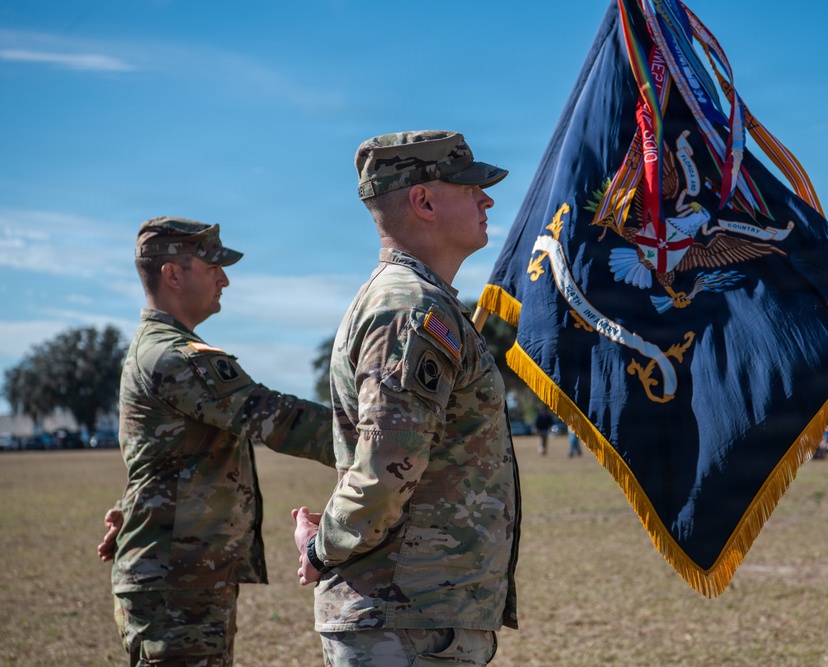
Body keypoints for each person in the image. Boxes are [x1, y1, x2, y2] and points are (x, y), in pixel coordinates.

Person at [291, 131, 519, 666]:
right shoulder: (409, 310)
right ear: (424, 201)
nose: (486, 199)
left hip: (415, 618)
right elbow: (384, 469)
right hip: (403, 623)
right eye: (470, 186)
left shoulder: (419, 303)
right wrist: (319, 548)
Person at [98, 217, 336, 667]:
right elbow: (277, 418)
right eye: (213, 267)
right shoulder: (175, 356)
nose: (224, 278)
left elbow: (165, 453)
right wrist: (386, 437)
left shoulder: (162, 349)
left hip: (181, 574)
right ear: (172, 274)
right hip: (176, 579)